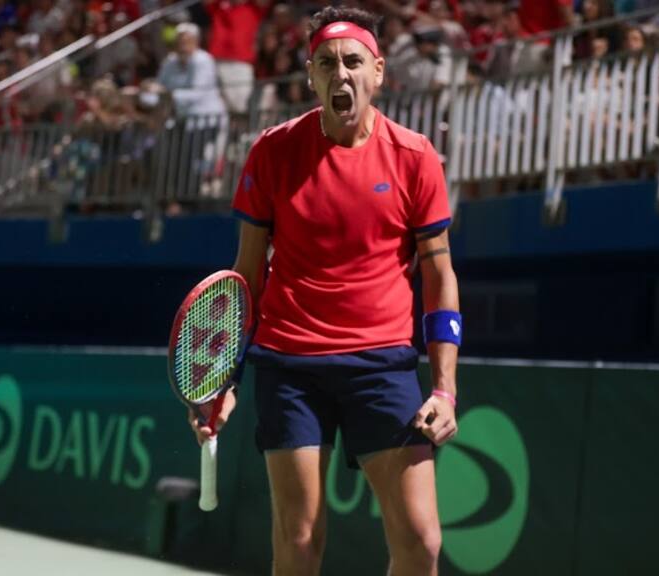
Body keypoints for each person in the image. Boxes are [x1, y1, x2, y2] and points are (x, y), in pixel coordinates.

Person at [189, 5, 461, 575]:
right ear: (311, 77)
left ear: (379, 71)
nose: (341, 74)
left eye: (353, 62)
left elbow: (439, 276)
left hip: (381, 365)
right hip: (293, 366)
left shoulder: (415, 158)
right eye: (326, 64)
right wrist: (224, 379)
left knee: (421, 542)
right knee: (301, 538)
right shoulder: (272, 151)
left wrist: (444, 389)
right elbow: (246, 276)